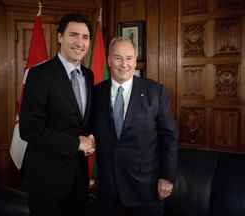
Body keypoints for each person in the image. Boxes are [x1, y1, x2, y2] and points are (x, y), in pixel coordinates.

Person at [91, 37, 178, 216]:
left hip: (146, 190)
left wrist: (167, 177)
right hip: (108, 191)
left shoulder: (155, 92)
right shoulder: (96, 92)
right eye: (118, 58)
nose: (124, 64)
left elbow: (169, 137)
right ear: (108, 60)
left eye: (129, 58)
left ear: (135, 60)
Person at [19, 13, 95, 216]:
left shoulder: (88, 75)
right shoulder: (39, 75)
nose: (80, 42)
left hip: (78, 179)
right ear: (60, 37)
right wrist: (76, 143)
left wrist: (91, 138)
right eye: (74, 35)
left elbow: (81, 122)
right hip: (46, 179)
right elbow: (29, 130)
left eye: (85, 37)